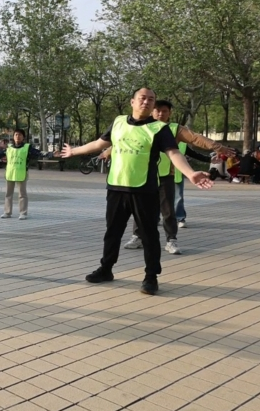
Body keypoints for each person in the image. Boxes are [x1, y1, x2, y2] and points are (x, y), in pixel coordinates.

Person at [57, 88, 213, 295]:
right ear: (132, 102)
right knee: (112, 232)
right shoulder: (118, 122)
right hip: (116, 187)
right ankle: (106, 269)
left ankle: (151, 277)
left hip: (144, 189)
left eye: (151, 99)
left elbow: (174, 153)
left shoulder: (159, 128)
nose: (146, 102)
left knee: (149, 235)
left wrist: (190, 173)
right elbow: (100, 143)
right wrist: (74, 151)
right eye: (142, 98)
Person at [113, 100, 233, 252]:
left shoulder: (175, 129)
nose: (160, 114)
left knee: (168, 210)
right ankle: (138, 237)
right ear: (152, 111)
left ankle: (171, 240)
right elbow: (121, 142)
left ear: (170, 113)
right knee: (141, 208)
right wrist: (106, 152)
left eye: (164, 111)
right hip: (143, 176)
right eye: (157, 110)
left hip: (165, 176)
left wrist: (218, 147)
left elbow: (196, 138)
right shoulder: (141, 126)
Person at [1, 129, 43, 220]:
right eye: (16, 135)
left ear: (23, 137)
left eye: (20, 135)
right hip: (10, 173)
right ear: (13, 137)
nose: (18, 136)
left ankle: (23, 213)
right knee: (8, 194)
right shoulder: (8, 147)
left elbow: (38, 153)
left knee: (22, 194)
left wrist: (51, 154)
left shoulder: (27, 147)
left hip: (22, 173)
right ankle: (7, 212)